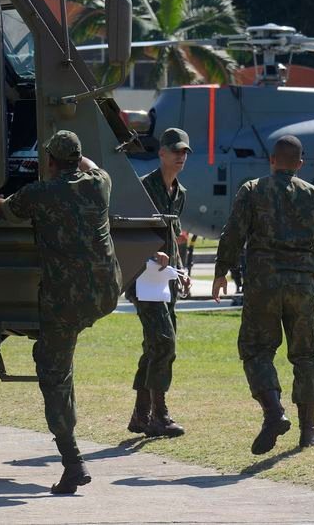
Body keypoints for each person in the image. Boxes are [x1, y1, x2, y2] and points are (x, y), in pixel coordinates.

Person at [0, 130, 123, 494]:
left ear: (50, 162)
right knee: (63, 358)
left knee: (53, 371)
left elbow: (7, 209)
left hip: (65, 300)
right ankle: (72, 459)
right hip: (105, 294)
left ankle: (73, 463)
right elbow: (93, 167)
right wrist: (78, 157)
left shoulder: (40, 193)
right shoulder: (99, 184)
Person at [211, 135, 314, 454]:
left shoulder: (253, 190)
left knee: (256, 349)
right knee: (306, 354)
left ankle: (274, 413)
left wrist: (221, 271)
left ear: (271, 161)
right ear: (299, 164)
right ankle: (308, 431)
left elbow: (234, 233)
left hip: (262, 283)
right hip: (301, 285)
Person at [126, 127, 191, 438]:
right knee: (164, 342)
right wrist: (153, 251)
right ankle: (159, 415)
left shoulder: (180, 194)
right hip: (143, 279)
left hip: (166, 282)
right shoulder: (143, 189)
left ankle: (140, 414)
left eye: (184, 152)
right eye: (175, 151)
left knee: (154, 345)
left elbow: (172, 241)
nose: (180, 156)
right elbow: (127, 232)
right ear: (161, 153)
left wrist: (181, 271)